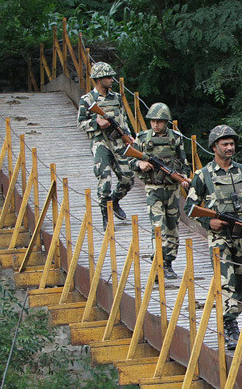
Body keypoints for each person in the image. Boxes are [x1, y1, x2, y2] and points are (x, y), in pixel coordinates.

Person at [183, 125, 242, 350]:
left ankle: (232, 319)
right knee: (225, 281)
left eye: (232, 144)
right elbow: (190, 207)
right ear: (215, 147)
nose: (230, 147)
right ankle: (229, 327)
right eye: (225, 144)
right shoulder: (203, 175)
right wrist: (209, 222)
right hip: (219, 237)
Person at [132, 102, 191, 280]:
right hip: (153, 189)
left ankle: (168, 263)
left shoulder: (176, 138)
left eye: (159, 121)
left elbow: (183, 161)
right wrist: (140, 163)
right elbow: (129, 159)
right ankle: (157, 263)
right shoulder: (142, 138)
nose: (155, 124)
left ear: (166, 122)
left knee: (173, 227)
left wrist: (184, 178)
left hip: (172, 190)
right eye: (153, 121)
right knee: (158, 227)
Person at [77, 61, 134, 229]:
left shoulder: (116, 98)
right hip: (100, 142)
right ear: (98, 80)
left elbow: (122, 119)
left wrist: (128, 136)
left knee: (128, 177)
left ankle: (114, 202)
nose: (111, 80)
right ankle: (105, 214)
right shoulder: (87, 100)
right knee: (104, 177)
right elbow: (80, 123)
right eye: (108, 77)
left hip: (117, 141)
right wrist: (96, 122)